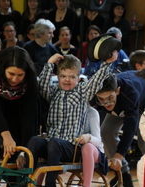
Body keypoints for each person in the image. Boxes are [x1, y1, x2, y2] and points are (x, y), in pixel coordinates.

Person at [26, 50, 116, 187]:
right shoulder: (54, 92)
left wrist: (106, 64)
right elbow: (42, 86)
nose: (67, 80)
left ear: (78, 79)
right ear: (58, 77)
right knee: (35, 140)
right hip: (52, 145)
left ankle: (50, 183)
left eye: (72, 77)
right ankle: (27, 180)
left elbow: (95, 82)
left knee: (55, 142)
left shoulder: (81, 92)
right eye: (63, 76)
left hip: (71, 148)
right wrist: (50, 63)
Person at [0, 46, 38, 187]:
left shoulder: (31, 79)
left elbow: (28, 116)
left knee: (16, 155)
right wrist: (6, 136)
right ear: (3, 69)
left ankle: (16, 184)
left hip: (18, 114)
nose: (15, 79)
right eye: (11, 74)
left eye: (20, 75)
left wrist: (23, 148)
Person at [94, 72, 145, 187]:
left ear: (117, 90)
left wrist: (119, 155)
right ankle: (123, 174)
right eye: (101, 99)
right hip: (121, 105)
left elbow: (130, 129)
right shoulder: (96, 95)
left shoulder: (130, 94)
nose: (106, 103)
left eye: (110, 97)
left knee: (144, 141)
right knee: (106, 132)